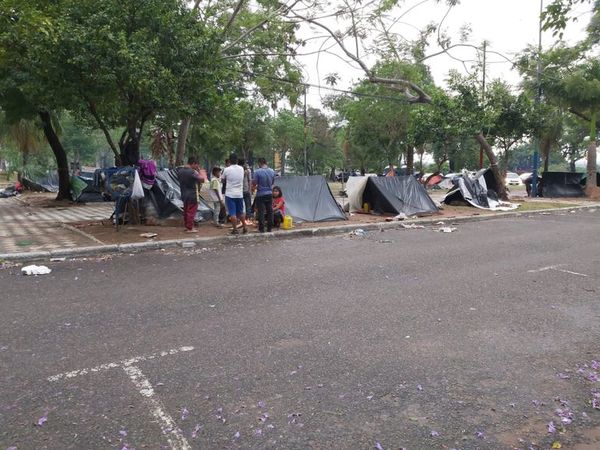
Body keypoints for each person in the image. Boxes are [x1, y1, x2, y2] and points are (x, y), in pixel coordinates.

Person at [221, 154, 248, 234]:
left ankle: (235, 229)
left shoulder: (226, 169)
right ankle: (244, 227)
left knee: (232, 213)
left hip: (230, 194)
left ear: (229, 160)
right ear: (237, 160)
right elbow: (243, 176)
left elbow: (222, 180)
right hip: (239, 194)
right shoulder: (242, 169)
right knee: (240, 212)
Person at [178, 156, 205, 232]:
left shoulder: (180, 171)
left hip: (183, 194)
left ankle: (187, 226)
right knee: (191, 212)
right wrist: (199, 171)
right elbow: (202, 180)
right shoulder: (192, 172)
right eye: (197, 165)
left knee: (186, 211)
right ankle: (190, 228)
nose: (197, 167)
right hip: (192, 195)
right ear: (193, 163)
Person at [252, 157, 275, 232]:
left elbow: (254, 183)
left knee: (261, 211)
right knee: (270, 211)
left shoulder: (257, 172)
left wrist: (254, 187)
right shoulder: (272, 171)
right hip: (269, 193)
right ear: (266, 163)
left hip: (260, 194)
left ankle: (261, 229)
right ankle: (269, 228)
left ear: (259, 163)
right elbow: (272, 182)